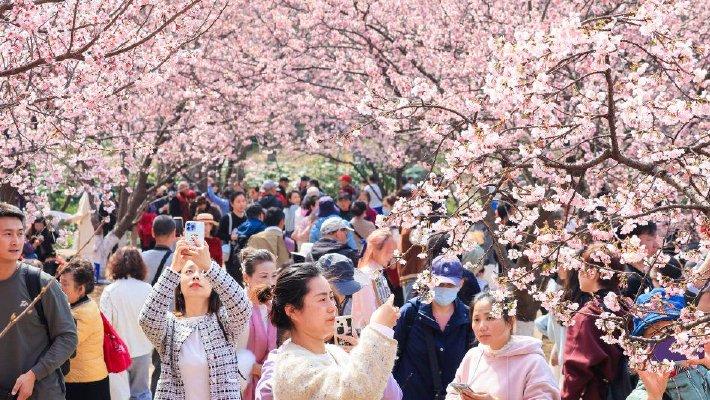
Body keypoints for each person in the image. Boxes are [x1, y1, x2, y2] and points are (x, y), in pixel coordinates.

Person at [266, 263, 400, 400]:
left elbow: (394, 396)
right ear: (292, 311)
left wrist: (360, 350)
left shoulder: (335, 352)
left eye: (331, 297)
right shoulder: (291, 367)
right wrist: (379, 330)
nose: (332, 307)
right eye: (322, 299)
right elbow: (356, 393)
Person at [138, 239, 252, 399]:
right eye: (189, 272)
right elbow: (147, 318)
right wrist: (174, 268)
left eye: (203, 272)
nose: (196, 276)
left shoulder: (224, 323)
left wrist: (210, 267)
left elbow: (243, 306)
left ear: (214, 285)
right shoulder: (170, 326)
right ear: (178, 284)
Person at [0, 203, 77, 400]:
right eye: (8, 234)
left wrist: (35, 374)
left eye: (19, 233)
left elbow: (68, 337)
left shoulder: (39, 282)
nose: (16, 241)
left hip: (40, 392)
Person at [445, 291, 560, 399]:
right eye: (476, 319)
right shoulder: (473, 356)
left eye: (490, 318)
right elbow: (452, 393)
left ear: (510, 321)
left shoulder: (533, 362)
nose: (481, 326)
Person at [393, 255, 475, 400]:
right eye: (440, 284)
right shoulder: (410, 312)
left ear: (461, 283)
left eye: (450, 285)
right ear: (430, 282)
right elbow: (392, 356)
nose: (444, 289)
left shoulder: (467, 318)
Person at [562, 243, 630, 400]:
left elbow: (576, 370)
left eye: (581, 269)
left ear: (592, 272)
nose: (578, 274)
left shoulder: (587, 316)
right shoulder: (627, 307)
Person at [626, 288, 710, 400]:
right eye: (655, 332)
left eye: (672, 329)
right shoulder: (644, 391)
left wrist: (708, 362)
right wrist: (654, 397)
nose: (666, 338)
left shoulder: (699, 370)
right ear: (643, 344)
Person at [100, 247, 154, 400]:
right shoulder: (148, 289)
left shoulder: (110, 291)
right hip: (143, 349)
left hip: (118, 353)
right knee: (142, 393)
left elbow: (105, 326)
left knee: (119, 396)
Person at [58, 259, 110, 400]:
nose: (60, 288)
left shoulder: (82, 313)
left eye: (65, 284)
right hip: (82, 379)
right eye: (60, 282)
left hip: (87, 384)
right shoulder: (83, 304)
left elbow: (66, 345)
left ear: (81, 289)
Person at [238, 248, 279, 400]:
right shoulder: (238, 307)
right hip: (240, 385)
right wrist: (260, 370)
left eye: (273, 276)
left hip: (269, 383)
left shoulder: (274, 306)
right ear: (246, 277)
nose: (270, 282)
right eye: (263, 276)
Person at [352, 228, 398, 328]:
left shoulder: (379, 273)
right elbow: (369, 315)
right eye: (389, 251)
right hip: (370, 334)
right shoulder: (364, 274)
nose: (392, 256)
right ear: (376, 250)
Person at [618, 222, 660, 299]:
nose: (656, 245)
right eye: (649, 239)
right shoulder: (630, 279)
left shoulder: (647, 271)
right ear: (631, 242)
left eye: (655, 239)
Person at [398, 228, 427, 301]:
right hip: (413, 275)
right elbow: (427, 241)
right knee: (413, 308)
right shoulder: (409, 231)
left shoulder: (406, 230)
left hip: (413, 275)